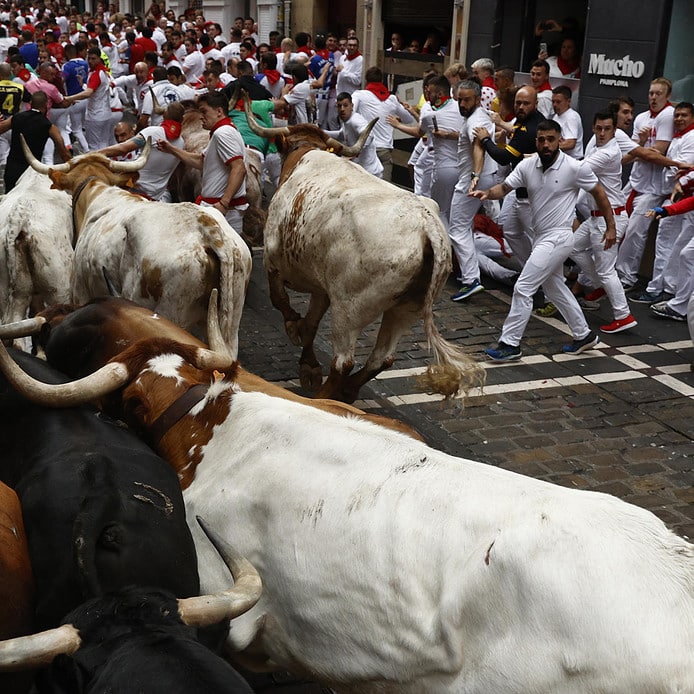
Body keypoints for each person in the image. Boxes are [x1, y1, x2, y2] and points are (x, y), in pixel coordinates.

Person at [472, 119, 616, 361]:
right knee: (554, 287)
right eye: (542, 140)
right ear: (536, 142)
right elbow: (504, 188)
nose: (546, 144)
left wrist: (611, 227)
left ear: (559, 141)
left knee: (524, 287)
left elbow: (600, 194)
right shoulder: (528, 166)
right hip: (541, 236)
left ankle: (510, 343)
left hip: (559, 237)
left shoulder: (574, 167)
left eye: (551, 139)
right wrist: (487, 193)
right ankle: (584, 335)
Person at [571, 110, 636, 334]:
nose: (601, 133)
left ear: (614, 131)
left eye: (606, 129)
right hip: (596, 218)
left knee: (607, 270)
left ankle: (623, 315)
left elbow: (578, 169)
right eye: (598, 128)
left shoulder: (607, 153)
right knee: (573, 247)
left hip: (611, 219)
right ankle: (600, 284)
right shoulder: (600, 148)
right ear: (593, 128)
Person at [616, 78, 676, 291]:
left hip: (654, 189)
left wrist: (640, 150)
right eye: (651, 93)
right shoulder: (641, 117)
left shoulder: (668, 115)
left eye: (658, 93)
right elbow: (630, 150)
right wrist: (640, 149)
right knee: (614, 220)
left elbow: (658, 151)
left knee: (635, 230)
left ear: (667, 96)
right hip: (635, 182)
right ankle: (610, 270)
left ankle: (626, 277)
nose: (653, 97)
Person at [157, 91, 247, 230]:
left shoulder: (223, 133)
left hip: (220, 210)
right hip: (217, 208)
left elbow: (239, 168)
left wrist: (224, 203)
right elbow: (201, 162)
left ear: (219, 111)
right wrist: (172, 149)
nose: (200, 117)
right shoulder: (222, 131)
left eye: (204, 111)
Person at [636, 102, 694, 304]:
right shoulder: (680, 137)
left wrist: (680, 182)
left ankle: (663, 290)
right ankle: (662, 289)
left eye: (684, 115)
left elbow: (684, 171)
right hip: (675, 197)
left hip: (682, 197)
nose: (679, 119)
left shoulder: (691, 137)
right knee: (671, 244)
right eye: (676, 115)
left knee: (672, 245)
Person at [448, 79, 498, 301]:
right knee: (469, 224)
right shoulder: (483, 115)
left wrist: (475, 176)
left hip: (473, 181)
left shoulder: (474, 122)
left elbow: (479, 147)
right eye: (460, 99)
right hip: (487, 177)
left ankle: (470, 279)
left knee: (457, 229)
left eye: (467, 100)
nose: (462, 104)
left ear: (477, 99)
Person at [97, 102, 185, 201]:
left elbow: (122, 149)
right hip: (158, 198)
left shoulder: (152, 132)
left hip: (134, 192)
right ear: (182, 119)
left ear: (164, 115)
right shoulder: (181, 143)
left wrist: (94, 155)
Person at [0, 90, 71, 192]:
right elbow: (63, 151)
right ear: (46, 105)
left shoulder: (16, 118)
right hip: (32, 170)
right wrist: (73, 168)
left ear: (30, 103)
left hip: (12, 168)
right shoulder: (49, 126)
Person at [352, 66, 412, 182]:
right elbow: (409, 119)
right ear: (382, 81)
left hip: (366, 149)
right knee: (385, 190)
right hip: (384, 149)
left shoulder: (359, 95)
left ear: (366, 80)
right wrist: (397, 117)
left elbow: (350, 112)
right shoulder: (392, 99)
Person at [419, 74, 463, 229]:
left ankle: (447, 249)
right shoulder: (462, 109)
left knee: (440, 211)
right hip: (464, 170)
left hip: (444, 169)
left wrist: (397, 125)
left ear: (439, 93)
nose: (427, 96)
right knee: (457, 214)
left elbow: (418, 132)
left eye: (429, 92)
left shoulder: (430, 115)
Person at [63, 47, 112, 150]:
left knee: (94, 147)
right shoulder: (102, 72)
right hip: (106, 114)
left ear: (99, 58)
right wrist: (83, 85)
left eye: (93, 59)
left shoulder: (96, 74)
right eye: (89, 58)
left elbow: (89, 93)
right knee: (104, 144)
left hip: (96, 115)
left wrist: (69, 98)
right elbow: (97, 90)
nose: (90, 61)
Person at [325, 91, 382, 177]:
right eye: (339, 106)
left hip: (370, 172)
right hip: (360, 171)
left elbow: (369, 135)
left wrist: (357, 150)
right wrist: (321, 132)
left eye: (345, 105)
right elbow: (341, 135)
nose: (342, 109)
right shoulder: (346, 121)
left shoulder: (355, 120)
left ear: (352, 106)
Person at [551, 85, 582, 158]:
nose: (555, 105)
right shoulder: (555, 116)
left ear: (568, 101)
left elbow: (570, 144)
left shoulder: (571, 117)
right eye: (553, 101)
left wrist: (551, 146)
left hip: (573, 160)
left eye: (558, 102)